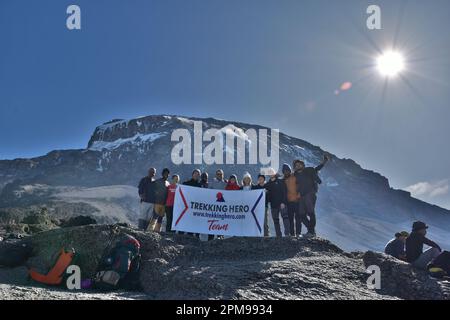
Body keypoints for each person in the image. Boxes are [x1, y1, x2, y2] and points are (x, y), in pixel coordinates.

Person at [294, 154, 329, 237]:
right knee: (301, 214)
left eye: (299, 164)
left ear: (303, 165)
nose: (298, 166)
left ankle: (311, 232)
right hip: (302, 196)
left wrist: (324, 161)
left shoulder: (308, 170)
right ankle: (311, 231)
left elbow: (317, 168)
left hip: (310, 194)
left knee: (310, 213)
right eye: (296, 165)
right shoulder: (295, 175)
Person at [265, 168, 289, 237]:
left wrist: (283, 202)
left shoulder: (281, 181)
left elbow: (285, 192)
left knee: (285, 218)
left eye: (272, 172)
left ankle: (287, 234)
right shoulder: (268, 184)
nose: (271, 173)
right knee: (276, 220)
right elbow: (268, 197)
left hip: (282, 204)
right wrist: (266, 193)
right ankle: (278, 235)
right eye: (269, 172)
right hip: (273, 205)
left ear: (275, 173)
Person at [147, 168, 170, 232]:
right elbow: (151, 190)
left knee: (160, 218)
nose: (166, 175)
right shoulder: (157, 181)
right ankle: (150, 230)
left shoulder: (168, 183)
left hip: (164, 204)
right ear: (162, 174)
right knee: (154, 217)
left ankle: (157, 231)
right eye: (165, 174)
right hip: (157, 203)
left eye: (167, 174)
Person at [282, 163, 299, 236]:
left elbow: (300, 185)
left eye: (287, 170)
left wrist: (299, 195)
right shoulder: (283, 180)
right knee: (291, 219)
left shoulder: (295, 176)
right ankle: (292, 234)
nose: (286, 172)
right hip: (289, 203)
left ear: (290, 170)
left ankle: (298, 233)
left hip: (297, 201)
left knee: (298, 219)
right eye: (284, 171)